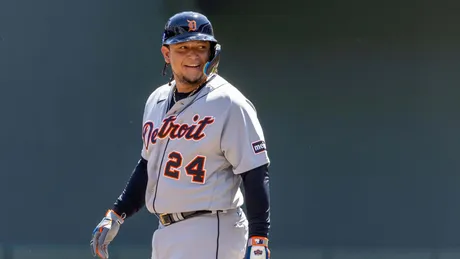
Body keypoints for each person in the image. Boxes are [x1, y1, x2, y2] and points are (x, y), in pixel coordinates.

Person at [90, 11, 271, 259]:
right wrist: (118, 212)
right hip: (165, 232)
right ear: (167, 53)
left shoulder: (228, 102)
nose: (193, 55)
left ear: (212, 52)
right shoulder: (157, 100)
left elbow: (255, 171)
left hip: (212, 227)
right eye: (183, 47)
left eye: (200, 46)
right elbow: (149, 165)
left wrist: (259, 238)